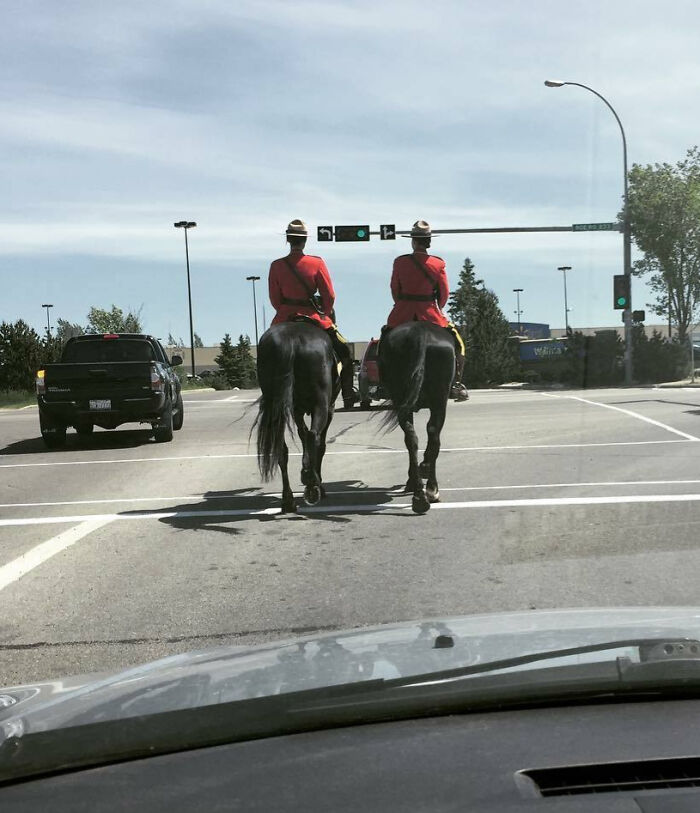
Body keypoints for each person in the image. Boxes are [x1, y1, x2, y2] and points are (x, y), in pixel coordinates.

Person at [268, 219, 357, 409]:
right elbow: (329, 295)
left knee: (267, 353)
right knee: (344, 351)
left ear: (288, 240)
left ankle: (268, 393)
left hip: (284, 318)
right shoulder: (316, 263)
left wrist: (284, 311)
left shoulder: (276, 266)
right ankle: (348, 394)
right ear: (304, 241)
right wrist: (324, 312)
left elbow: (275, 299)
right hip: (313, 317)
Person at [385, 220, 468, 401]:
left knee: (385, 340)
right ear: (429, 241)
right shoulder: (438, 264)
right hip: (430, 313)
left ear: (413, 241)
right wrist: (437, 307)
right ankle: (457, 383)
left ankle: (386, 380)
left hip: (402, 313)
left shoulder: (400, 262)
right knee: (458, 344)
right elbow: (444, 293)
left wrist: (402, 305)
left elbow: (395, 291)